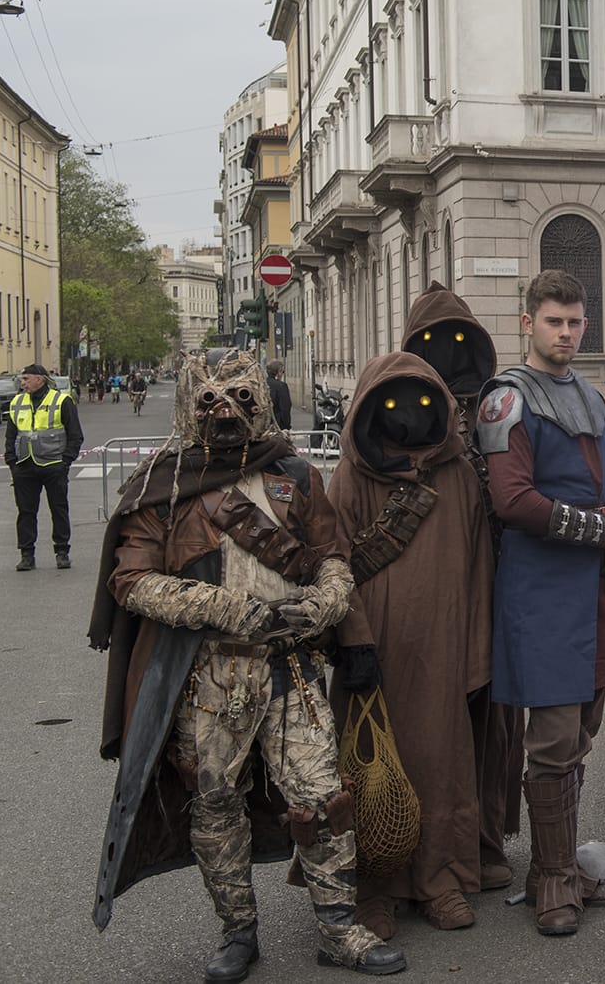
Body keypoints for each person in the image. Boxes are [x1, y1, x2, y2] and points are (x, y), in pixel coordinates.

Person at [86, 348, 405, 980]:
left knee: (323, 799)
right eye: (210, 399)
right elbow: (132, 580)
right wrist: (220, 607)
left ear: (259, 398)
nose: (226, 411)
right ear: (191, 402)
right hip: (209, 677)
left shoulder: (295, 473)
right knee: (214, 803)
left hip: (291, 671)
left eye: (240, 396)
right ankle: (238, 933)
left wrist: (329, 598)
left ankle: (339, 929)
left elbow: (331, 556)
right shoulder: (163, 485)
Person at [475, 270, 605, 936]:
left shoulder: (591, 397)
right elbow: (511, 501)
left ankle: (558, 864)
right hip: (539, 589)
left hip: (588, 588)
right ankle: (554, 881)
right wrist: (600, 530)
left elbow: (602, 488)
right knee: (552, 738)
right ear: (527, 324)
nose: (566, 333)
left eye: (574, 322)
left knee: (582, 729)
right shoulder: (506, 400)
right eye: (554, 321)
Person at [330, 352, 494, 937]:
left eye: (422, 400)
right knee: (368, 770)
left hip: (443, 649)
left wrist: (476, 654)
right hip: (374, 651)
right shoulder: (351, 478)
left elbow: (478, 566)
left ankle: (440, 879)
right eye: (394, 401)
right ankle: (372, 888)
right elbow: (332, 566)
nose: (408, 413)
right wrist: (352, 643)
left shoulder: (458, 475)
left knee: (440, 766)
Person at [402, 281, 519, 894]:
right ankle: (418, 850)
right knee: (429, 726)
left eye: (457, 339)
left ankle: (486, 838)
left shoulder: (499, 407)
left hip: (497, 584)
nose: (446, 352)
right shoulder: (399, 407)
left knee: (495, 725)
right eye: (432, 341)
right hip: (429, 588)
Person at [5, 362, 84, 571]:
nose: (23, 383)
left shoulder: (61, 401)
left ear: (39, 380)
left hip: (54, 465)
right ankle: (27, 555)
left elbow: (75, 435)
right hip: (25, 465)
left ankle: (62, 552)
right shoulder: (17, 402)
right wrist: (12, 462)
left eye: (26, 379)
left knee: (58, 509)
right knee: (25, 512)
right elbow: (11, 435)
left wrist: (65, 462)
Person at [267, 361, 293, 431]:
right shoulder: (281, 386)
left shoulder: (262, 384)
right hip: (278, 425)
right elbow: (285, 408)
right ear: (279, 372)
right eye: (282, 372)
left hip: (264, 424)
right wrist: (286, 426)